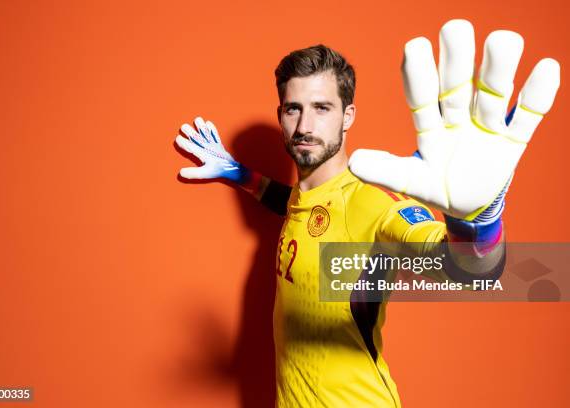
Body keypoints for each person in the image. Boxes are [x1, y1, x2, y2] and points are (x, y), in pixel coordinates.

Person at [174, 19, 559, 407]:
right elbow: (299, 206)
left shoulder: (371, 205)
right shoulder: (308, 197)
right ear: (281, 115)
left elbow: (469, 272)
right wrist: (240, 173)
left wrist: (478, 220)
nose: (305, 126)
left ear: (348, 116)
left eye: (322, 108)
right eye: (294, 109)